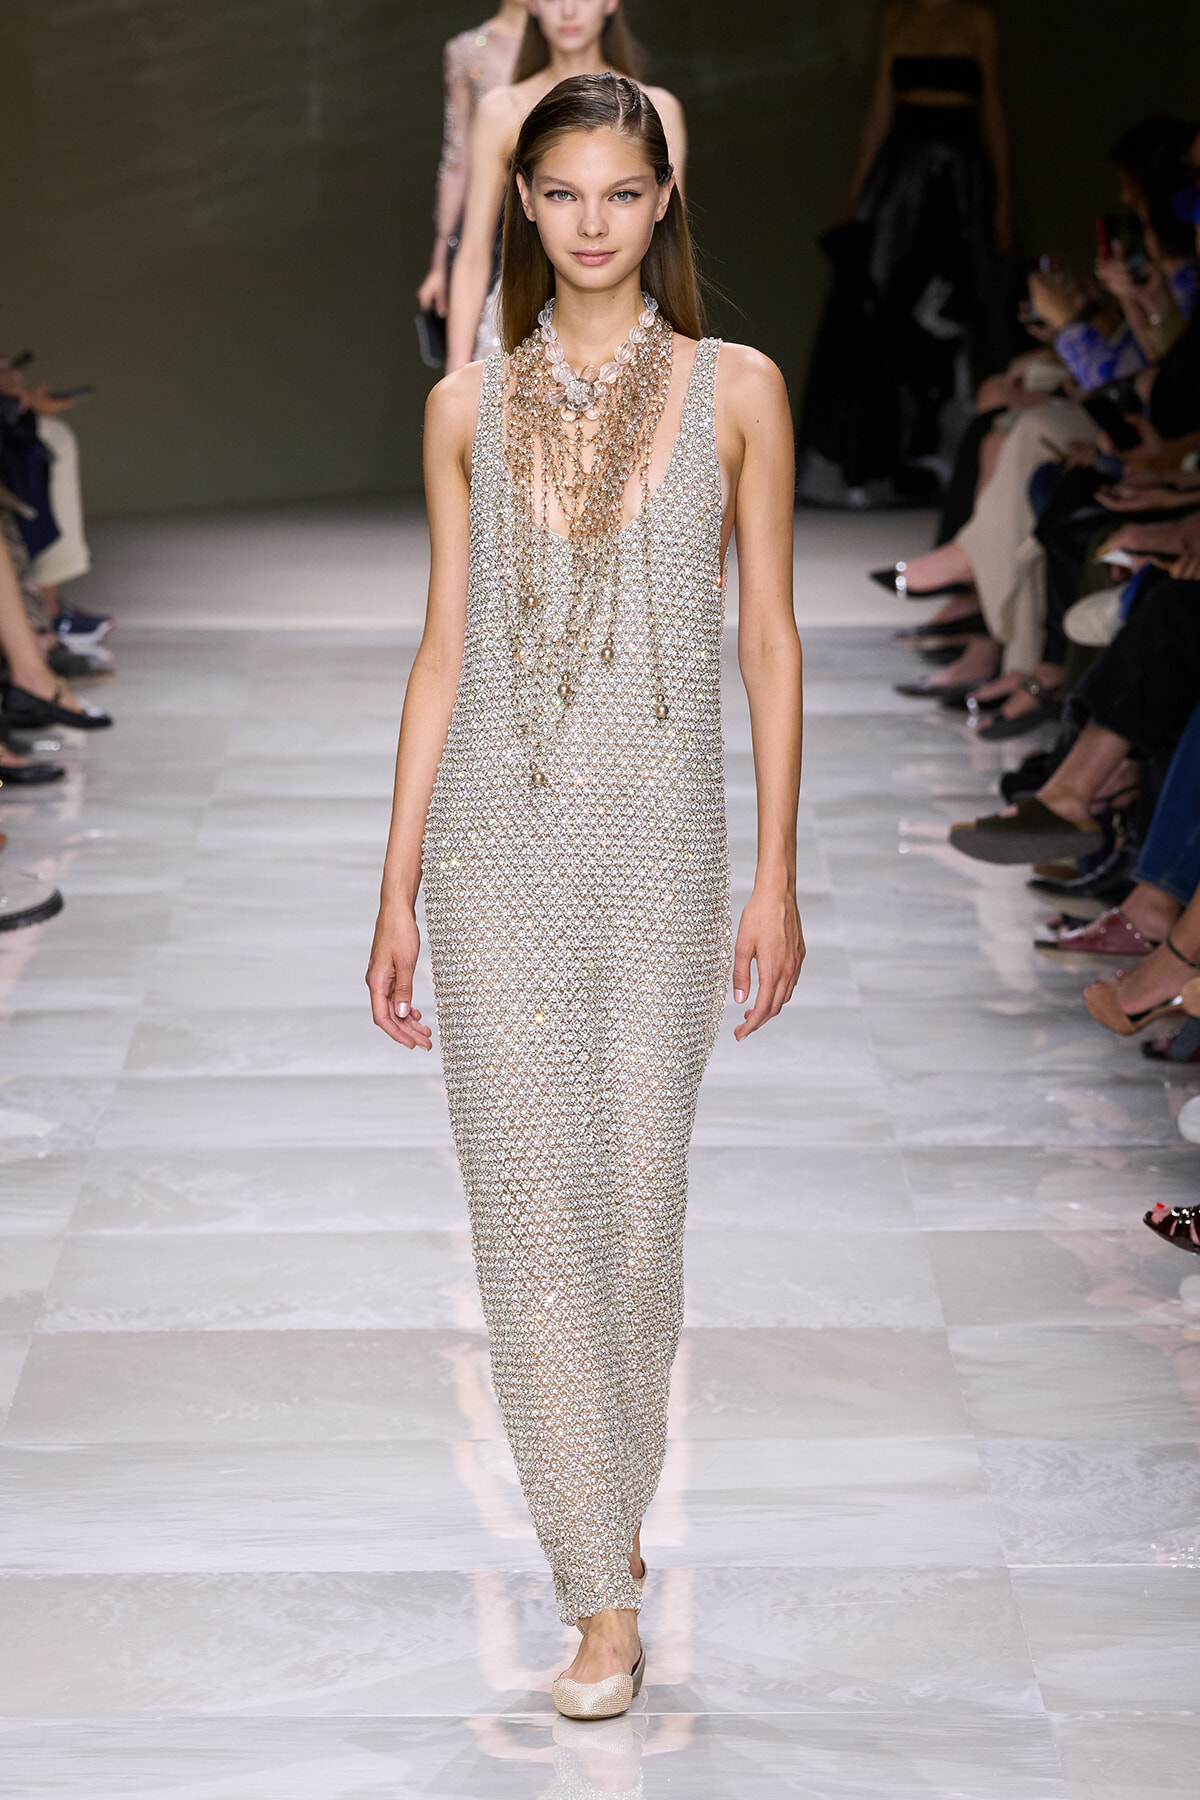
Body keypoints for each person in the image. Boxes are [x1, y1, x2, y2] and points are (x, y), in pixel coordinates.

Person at [368, 73, 803, 1718]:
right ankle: (599, 1597)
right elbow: (441, 654)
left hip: (669, 854)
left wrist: (774, 869)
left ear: (663, 201)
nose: (596, 223)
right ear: (529, 207)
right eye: (565, 195)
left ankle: (610, 1524)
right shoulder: (466, 410)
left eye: (625, 193)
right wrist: (398, 884)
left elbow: (767, 638)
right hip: (493, 852)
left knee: (636, 1213)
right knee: (531, 1225)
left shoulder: (738, 391)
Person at [796, 0, 1012, 508]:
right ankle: (880, 466)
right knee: (881, 313)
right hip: (901, 182)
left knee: (954, 313)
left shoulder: (976, 21)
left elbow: (993, 110)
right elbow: (881, 111)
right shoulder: (899, 19)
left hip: (958, 182)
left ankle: (954, 462)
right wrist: (855, 196)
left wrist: (1003, 202)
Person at [444, 0, 686, 372]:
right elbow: (474, 251)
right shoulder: (500, 111)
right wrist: (456, 371)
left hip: (627, 334)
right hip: (510, 326)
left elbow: (665, 237)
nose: (568, 9)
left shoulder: (657, 109)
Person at [416, 3, 529, 324]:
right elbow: (457, 157)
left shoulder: (572, 41)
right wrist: (440, 260)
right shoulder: (467, 50)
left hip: (555, 214)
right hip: (485, 222)